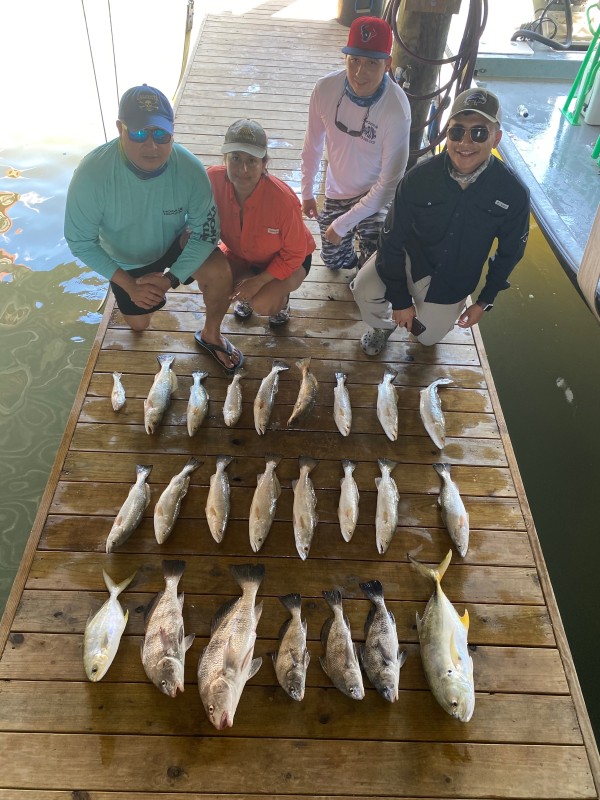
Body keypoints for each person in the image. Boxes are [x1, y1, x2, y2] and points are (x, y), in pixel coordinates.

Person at [64, 84, 243, 375]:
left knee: (219, 270)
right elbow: (80, 241)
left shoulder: (189, 169)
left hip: (173, 240)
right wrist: (128, 283)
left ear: (173, 130)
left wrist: (170, 279)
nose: (152, 146)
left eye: (161, 134)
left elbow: (206, 233)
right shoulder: (91, 174)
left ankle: (212, 334)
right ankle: (129, 292)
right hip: (126, 259)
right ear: (120, 128)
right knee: (139, 325)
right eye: (138, 133)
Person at [351, 87, 530, 352]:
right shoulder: (418, 178)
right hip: (410, 257)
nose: (465, 143)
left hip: (453, 280)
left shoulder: (513, 194)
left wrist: (484, 301)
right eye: (457, 131)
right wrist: (400, 301)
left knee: (427, 337)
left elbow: (510, 253)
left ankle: (429, 319)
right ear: (447, 133)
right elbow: (390, 240)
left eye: (479, 132)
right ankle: (381, 326)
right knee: (362, 289)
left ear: (496, 138)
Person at [300, 16, 411, 271]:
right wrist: (306, 192)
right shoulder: (324, 89)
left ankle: (367, 272)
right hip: (338, 190)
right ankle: (353, 260)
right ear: (345, 58)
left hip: (376, 193)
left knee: (380, 248)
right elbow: (312, 145)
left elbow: (389, 184)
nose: (360, 73)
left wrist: (342, 225)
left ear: (387, 65)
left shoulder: (396, 109)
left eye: (372, 63)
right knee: (333, 261)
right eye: (355, 60)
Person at [207, 119, 316, 327]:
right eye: (236, 158)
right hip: (241, 253)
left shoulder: (283, 200)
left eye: (252, 160)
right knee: (215, 282)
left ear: (264, 164)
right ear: (225, 159)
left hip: (289, 258)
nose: (243, 169)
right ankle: (248, 293)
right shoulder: (211, 180)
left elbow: (294, 253)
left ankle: (281, 301)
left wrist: (259, 281)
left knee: (264, 304)